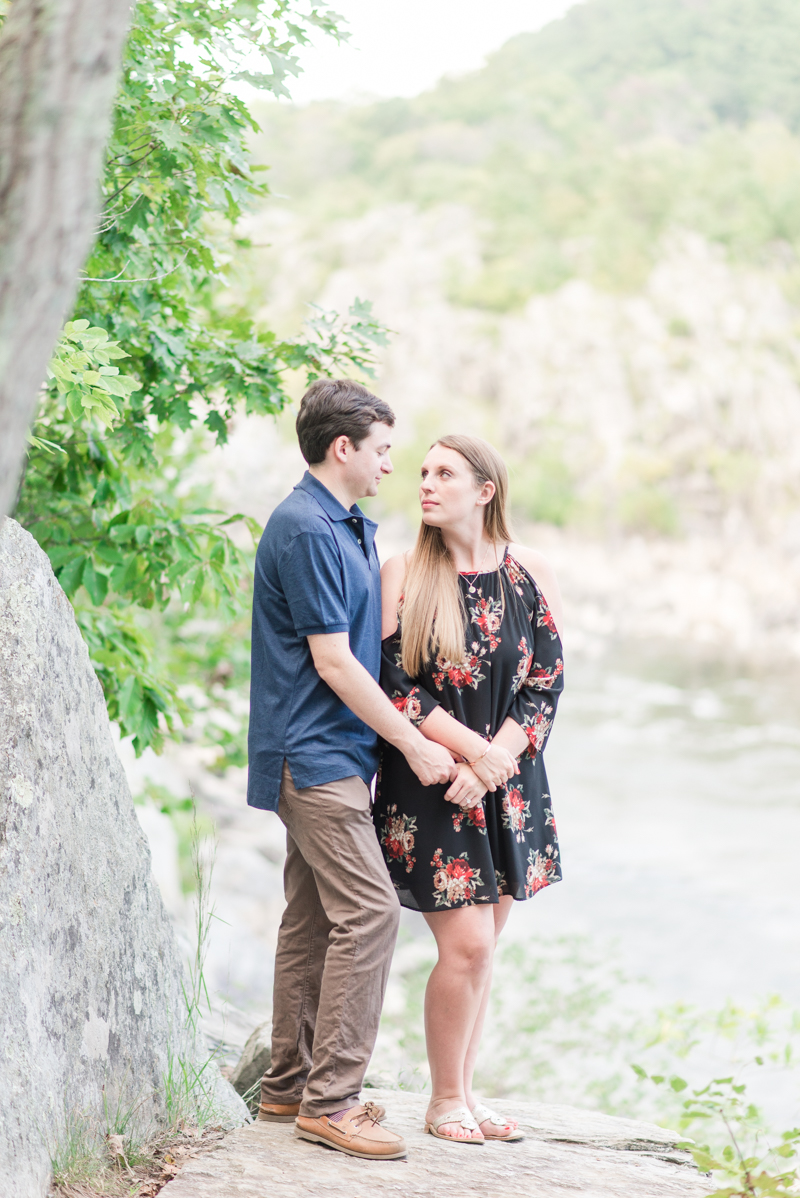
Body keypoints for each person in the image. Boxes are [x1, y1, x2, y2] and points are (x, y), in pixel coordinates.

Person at [246, 379, 457, 1161]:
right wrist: (412, 742)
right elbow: (334, 663)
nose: (390, 467)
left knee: (310, 919)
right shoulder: (305, 528)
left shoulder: (348, 527)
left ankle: (288, 1086)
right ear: (345, 448)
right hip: (314, 757)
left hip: (334, 756)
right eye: (382, 451)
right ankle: (332, 1102)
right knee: (370, 914)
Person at [374, 434, 565, 1145]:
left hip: (507, 784)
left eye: (444, 473)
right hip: (433, 782)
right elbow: (395, 686)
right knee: (469, 948)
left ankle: (467, 1089)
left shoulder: (528, 573)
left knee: (488, 944)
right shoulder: (404, 574)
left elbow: (546, 681)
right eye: (421, 471)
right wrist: (473, 756)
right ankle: (444, 1098)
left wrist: (495, 763)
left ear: (485, 490)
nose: (425, 483)